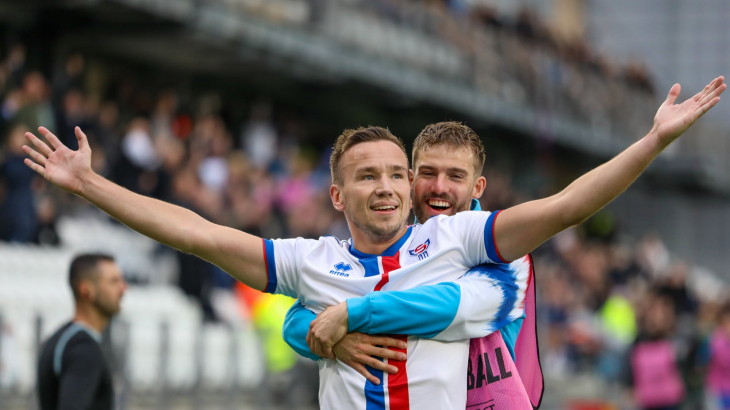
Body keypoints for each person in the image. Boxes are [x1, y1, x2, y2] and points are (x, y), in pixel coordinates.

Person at [21, 77, 725, 409]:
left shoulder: (460, 240)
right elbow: (199, 233)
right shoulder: (312, 262)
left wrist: (652, 141)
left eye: (395, 174)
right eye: (368, 176)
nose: (386, 187)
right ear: (338, 196)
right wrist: (92, 186)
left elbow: (568, 205)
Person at [282, 121, 543, 408]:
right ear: (410, 180)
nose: (439, 187)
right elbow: (300, 316)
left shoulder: (504, 254)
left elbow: (450, 307)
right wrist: (332, 339)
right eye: (427, 173)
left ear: (477, 187)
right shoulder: (395, 245)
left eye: (455, 176)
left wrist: (347, 316)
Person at [37, 254, 128, 410]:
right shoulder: (83, 348)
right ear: (87, 291)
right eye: (114, 281)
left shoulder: (64, 339)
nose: (123, 288)